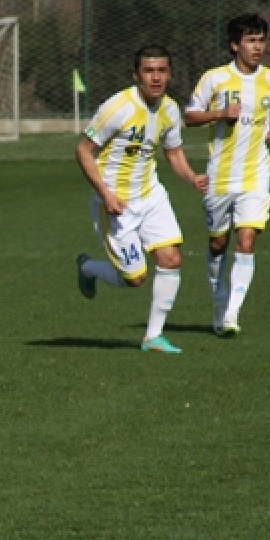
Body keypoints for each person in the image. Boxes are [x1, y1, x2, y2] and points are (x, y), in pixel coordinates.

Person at [74, 45, 208, 354]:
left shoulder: (170, 109)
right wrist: (105, 193)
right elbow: (83, 150)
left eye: (162, 71)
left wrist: (191, 177)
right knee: (135, 278)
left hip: (151, 195)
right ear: (136, 75)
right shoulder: (117, 107)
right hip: (116, 203)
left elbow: (173, 153)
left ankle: (153, 338)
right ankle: (87, 268)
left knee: (171, 259)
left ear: (169, 74)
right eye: (149, 71)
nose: (156, 78)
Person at [184, 14, 270, 337]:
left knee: (246, 240)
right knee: (218, 243)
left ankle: (232, 313)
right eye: (250, 41)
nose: (258, 47)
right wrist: (219, 113)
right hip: (220, 174)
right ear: (234, 45)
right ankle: (219, 304)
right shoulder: (215, 79)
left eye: (261, 40)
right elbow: (189, 116)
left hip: (257, 173)